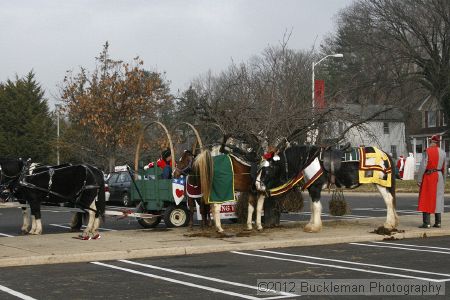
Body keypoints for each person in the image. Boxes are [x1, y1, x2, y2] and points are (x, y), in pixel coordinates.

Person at [417, 135, 446, 228]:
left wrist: (419, 179)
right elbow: (444, 168)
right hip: (439, 176)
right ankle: (438, 222)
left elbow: (423, 166)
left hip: (429, 176)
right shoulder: (443, 152)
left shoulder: (428, 151)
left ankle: (427, 223)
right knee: (438, 199)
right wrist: (443, 181)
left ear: (432, 141)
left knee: (426, 198)